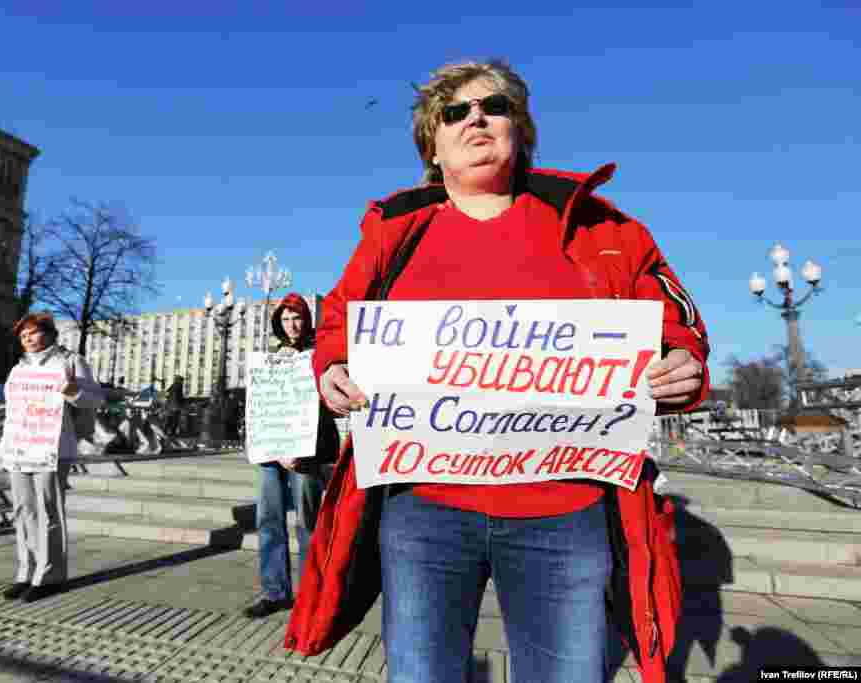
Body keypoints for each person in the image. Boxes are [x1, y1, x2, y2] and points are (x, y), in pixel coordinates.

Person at [312, 60, 710, 682]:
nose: (475, 117)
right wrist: (333, 362)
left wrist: (682, 356)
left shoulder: (599, 225)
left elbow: (670, 313)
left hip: (564, 510)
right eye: (454, 112)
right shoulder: (392, 231)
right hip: (423, 509)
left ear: (519, 129)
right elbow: (337, 317)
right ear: (433, 145)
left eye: (493, 106)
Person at [243, 292, 340, 619]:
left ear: (306, 319)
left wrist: (298, 447)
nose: (292, 325)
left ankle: (313, 594)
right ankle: (275, 591)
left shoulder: (318, 356)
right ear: (278, 323)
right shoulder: (271, 358)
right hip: (272, 453)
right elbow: (261, 405)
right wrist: (272, 445)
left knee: (307, 523)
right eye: (285, 319)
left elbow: (325, 404)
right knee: (269, 521)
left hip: (305, 454)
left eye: (296, 317)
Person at [0, 312, 103, 603]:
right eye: (22, 335)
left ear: (50, 333)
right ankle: (26, 572)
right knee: (23, 511)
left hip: (52, 448)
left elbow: (96, 398)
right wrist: (2, 447)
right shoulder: (18, 369)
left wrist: (73, 391)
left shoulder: (69, 361)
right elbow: (12, 412)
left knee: (48, 512)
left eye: (32, 332)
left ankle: (50, 575)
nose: (27, 339)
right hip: (19, 448)